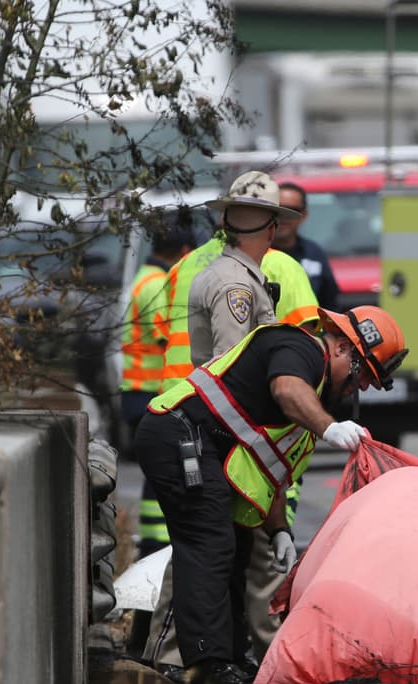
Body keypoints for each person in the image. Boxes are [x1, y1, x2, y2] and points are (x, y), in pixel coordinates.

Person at [135, 305, 408, 684]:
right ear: (344, 349)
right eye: (362, 374)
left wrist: (279, 529)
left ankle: (226, 656)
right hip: (178, 433)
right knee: (210, 544)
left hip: (198, 442)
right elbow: (285, 388)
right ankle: (206, 665)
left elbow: (270, 469)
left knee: (237, 547)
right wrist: (330, 428)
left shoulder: (312, 393)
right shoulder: (299, 349)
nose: (360, 388)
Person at [119, 214, 194, 559]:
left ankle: (154, 545)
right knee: (164, 475)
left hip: (142, 393)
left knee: (158, 474)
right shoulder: (156, 284)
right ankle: (156, 547)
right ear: (182, 251)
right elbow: (170, 333)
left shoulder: (146, 279)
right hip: (149, 393)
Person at [188, 172, 310, 366]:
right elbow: (230, 370)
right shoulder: (235, 283)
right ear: (272, 231)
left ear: (225, 225)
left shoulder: (226, 273)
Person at [275, 181, 342, 312]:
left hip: (309, 332)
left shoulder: (314, 253)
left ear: (304, 215)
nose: (284, 217)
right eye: (279, 210)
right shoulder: (255, 252)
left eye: (291, 210)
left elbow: (330, 303)